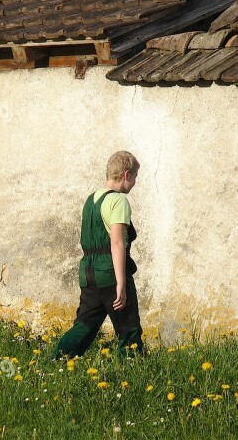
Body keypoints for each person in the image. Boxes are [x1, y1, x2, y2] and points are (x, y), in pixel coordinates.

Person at [52, 151, 144, 359]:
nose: (135, 183)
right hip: (110, 271)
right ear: (126, 174)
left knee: (84, 325)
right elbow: (117, 242)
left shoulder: (91, 200)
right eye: (135, 177)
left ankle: (56, 360)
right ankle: (134, 370)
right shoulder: (118, 201)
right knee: (128, 328)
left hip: (88, 273)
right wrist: (121, 283)